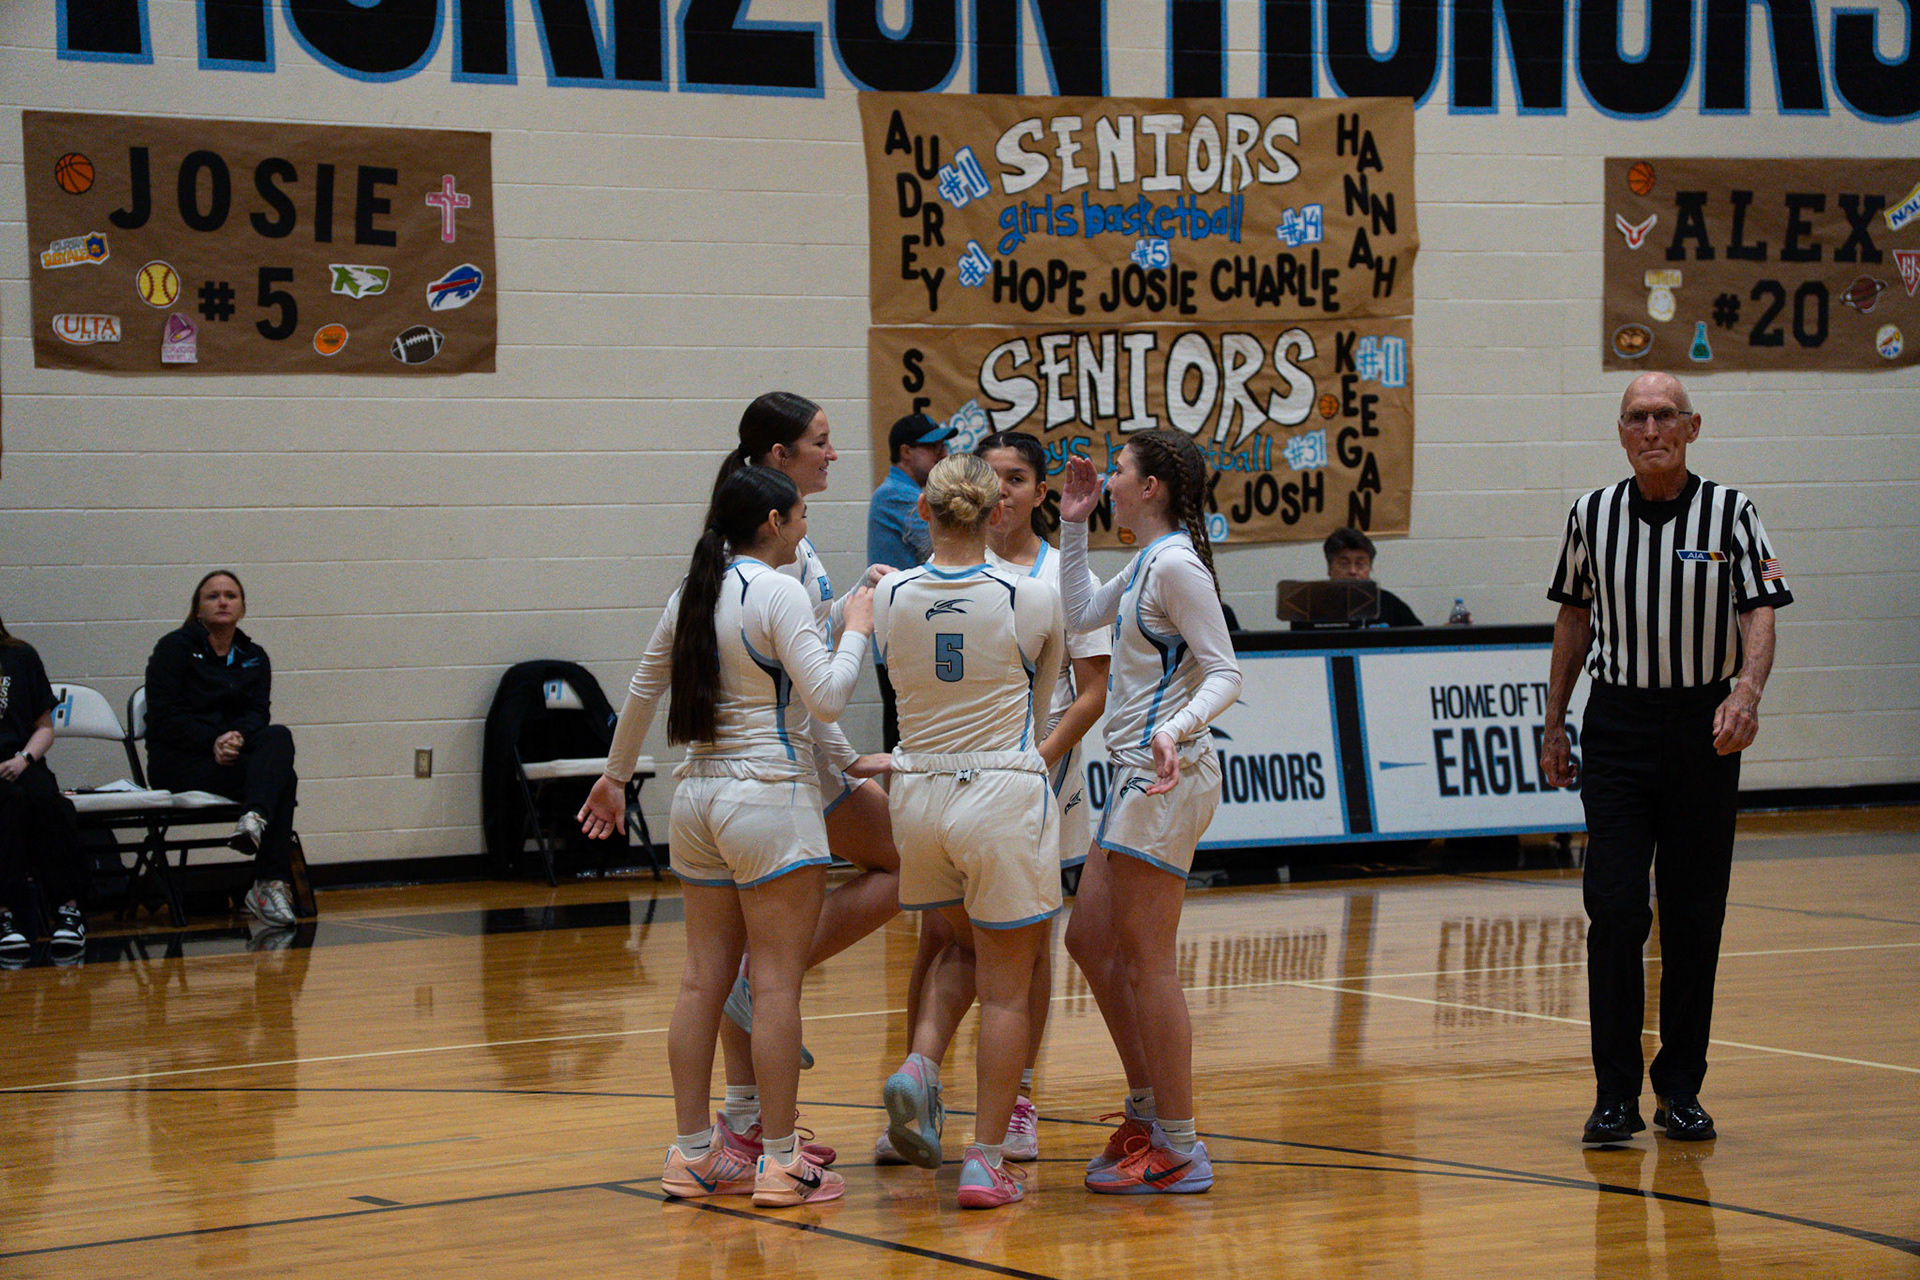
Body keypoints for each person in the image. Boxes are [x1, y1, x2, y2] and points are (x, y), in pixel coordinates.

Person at [579, 466, 873, 1207]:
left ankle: (692, 1156)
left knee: (699, 982)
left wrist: (614, 778)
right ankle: (781, 1162)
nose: (806, 527)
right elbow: (828, 695)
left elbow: (643, 689)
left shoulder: (693, 591)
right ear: (773, 522)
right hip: (768, 795)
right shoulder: (779, 590)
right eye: (800, 515)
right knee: (774, 984)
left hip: (695, 798)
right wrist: (858, 629)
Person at [1541, 371, 1792, 1147]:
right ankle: (1613, 1096)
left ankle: (1679, 1089)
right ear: (1621, 433)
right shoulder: (1592, 514)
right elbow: (1573, 619)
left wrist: (1747, 691)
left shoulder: (1731, 511)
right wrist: (1554, 722)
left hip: (1701, 728)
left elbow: (1759, 610)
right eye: (1636, 418)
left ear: (1691, 427)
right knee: (1616, 910)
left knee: (1692, 916)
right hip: (1617, 727)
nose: (1650, 430)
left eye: (1664, 416)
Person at [663, 393, 901, 1167]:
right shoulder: (774, 553)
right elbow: (808, 688)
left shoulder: (753, 546)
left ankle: (737, 1123)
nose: (833, 453)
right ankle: (764, 1133)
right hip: (780, 769)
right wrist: (843, 750)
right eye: (820, 441)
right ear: (779, 457)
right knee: (910, 866)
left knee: (733, 960)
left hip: (737, 776)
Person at [871, 454, 1066, 1209]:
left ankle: (920, 1063)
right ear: (996, 512)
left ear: (922, 511)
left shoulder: (889, 595)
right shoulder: (1032, 593)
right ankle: (985, 1161)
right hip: (999, 788)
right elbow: (1043, 707)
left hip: (917, 793)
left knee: (953, 948)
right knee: (1008, 991)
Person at [1056, 429, 1241, 1194]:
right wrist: (1073, 523)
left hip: (1167, 777)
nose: (1109, 477)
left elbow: (1226, 672)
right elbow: (1078, 612)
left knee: (1147, 961)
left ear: (1151, 487)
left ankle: (1180, 1143)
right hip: (1134, 778)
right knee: (1088, 940)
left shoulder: (1178, 568)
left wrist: (1175, 727)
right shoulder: (1145, 562)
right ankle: (1146, 1108)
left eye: (1120, 469)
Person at [144, 572, 301, 928]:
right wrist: (212, 741)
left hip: (230, 757)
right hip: (181, 762)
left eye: (231, 595)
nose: (223, 602)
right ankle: (268, 883)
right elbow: (165, 717)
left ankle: (253, 820)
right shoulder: (173, 649)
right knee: (282, 779)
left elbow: (258, 713)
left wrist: (237, 738)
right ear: (198, 609)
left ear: (242, 607)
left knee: (278, 736)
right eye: (213, 596)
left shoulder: (253, 656)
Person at [0, 615, 87, 963]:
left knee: (50, 804)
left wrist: (24, 759)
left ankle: (68, 911)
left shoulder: (21, 656)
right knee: (7, 804)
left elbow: (44, 727)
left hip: (21, 759)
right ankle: (5, 915)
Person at [868, 412, 957, 749]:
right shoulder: (897, 495)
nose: (943, 453)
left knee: (910, 740)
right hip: (904, 642)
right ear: (906, 452)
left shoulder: (902, 493)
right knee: (906, 743)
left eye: (944, 445)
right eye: (933, 447)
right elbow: (952, 543)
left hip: (910, 638)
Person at [1289, 527, 1422, 630]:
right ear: (1329, 568)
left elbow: (1420, 642)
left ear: (1369, 568)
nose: (1353, 571)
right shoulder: (1309, 609)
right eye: (1344, 563)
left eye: (1360, 564)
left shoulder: (1390, 604)